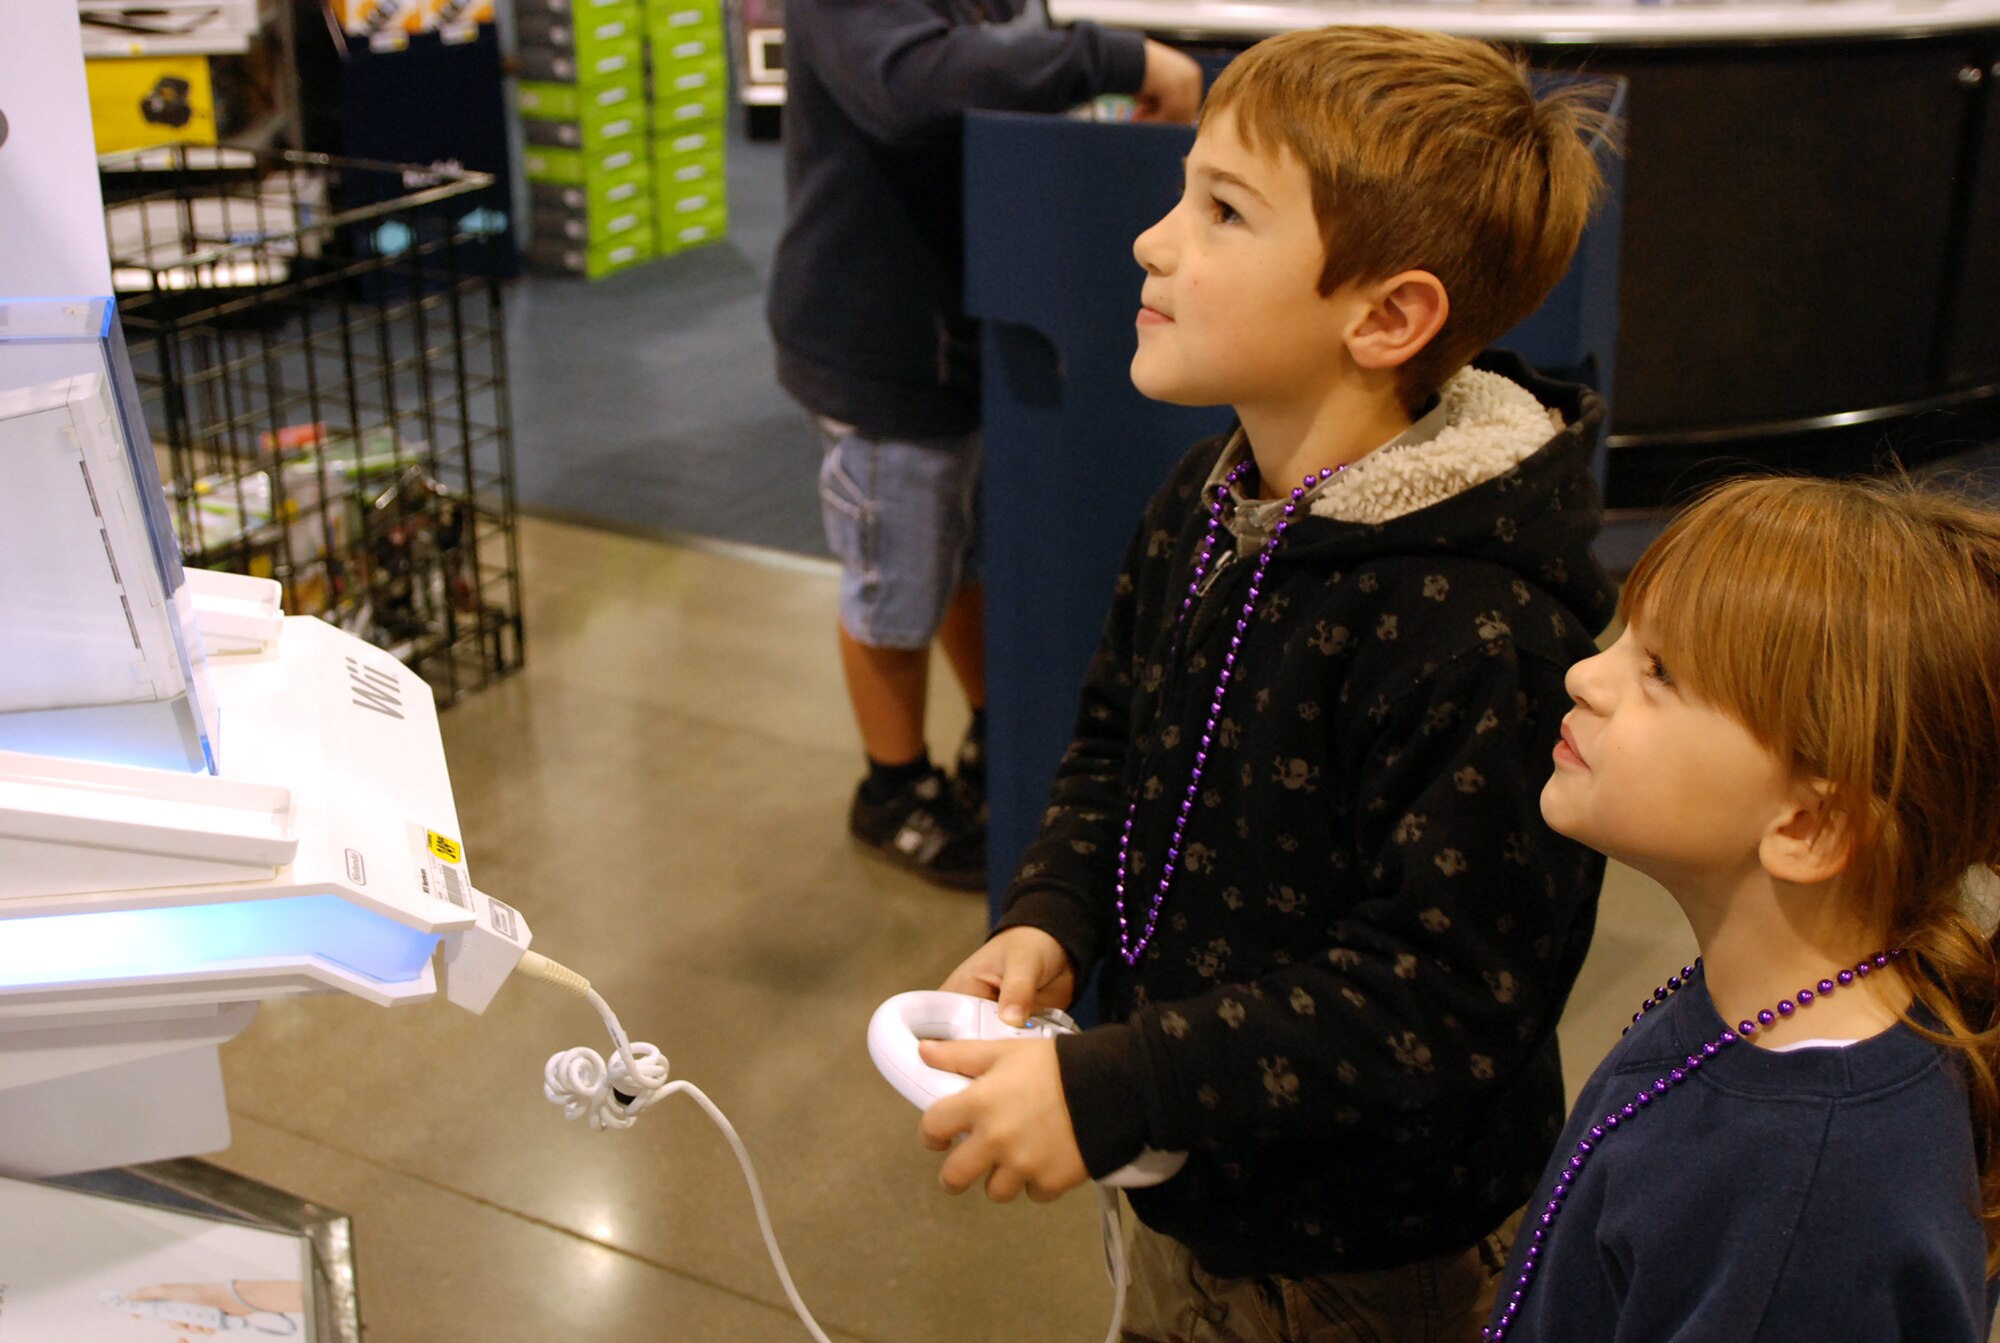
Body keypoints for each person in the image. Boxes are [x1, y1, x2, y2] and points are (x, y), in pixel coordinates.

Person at [914, 26, 1620, 1341]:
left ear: (1389, 314)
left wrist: (1128, 1080)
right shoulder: (1210, 495)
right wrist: (1055, 910)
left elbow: (1441, 994)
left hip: (1373, 1261)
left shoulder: (1483, 626)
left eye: (1223, 211)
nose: (1154, 242)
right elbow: (1115, 741)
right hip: (1199, 1176)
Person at [1482, 475, 2000, 1341]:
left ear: (1809, 823)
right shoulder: (1762, 1008)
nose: (1583, 674)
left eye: (1660, 671)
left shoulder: (1809, 1202)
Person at [768, 0, 1204, 890]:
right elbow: (911, 85)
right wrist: (1120, 58)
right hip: (883, 350)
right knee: (896, 582)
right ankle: (894, 790)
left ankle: (990, 733)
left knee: (966, 553)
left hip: (970, 336)